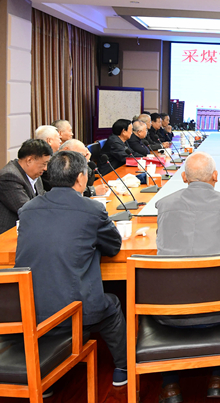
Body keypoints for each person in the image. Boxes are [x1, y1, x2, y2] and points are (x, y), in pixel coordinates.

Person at [15, 151, 127, 388]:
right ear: (80, 178)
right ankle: (123, 368)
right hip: (72, 312)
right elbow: (113, 246)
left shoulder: (27, 209)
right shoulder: (92, 209)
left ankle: (46, 378)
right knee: (113, 305)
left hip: (29, 311)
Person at [154, 152, 220, 401]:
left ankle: (170, 386)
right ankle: (219, 378)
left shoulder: (163, 205)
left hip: (169, 312)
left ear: (184, 178)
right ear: (215, 176)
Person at [0, 139, 51, 234]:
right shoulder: (9, 176)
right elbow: (27, 208)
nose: (45, 168)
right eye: (44, 164)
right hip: (8, 235)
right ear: (29, 160)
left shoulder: (35, 174)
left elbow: (43, 197)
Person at [34, 125, 63, 191]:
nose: (60, 141)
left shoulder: (53, 156)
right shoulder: (42, 159)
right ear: (49, 141)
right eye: (58, 138)